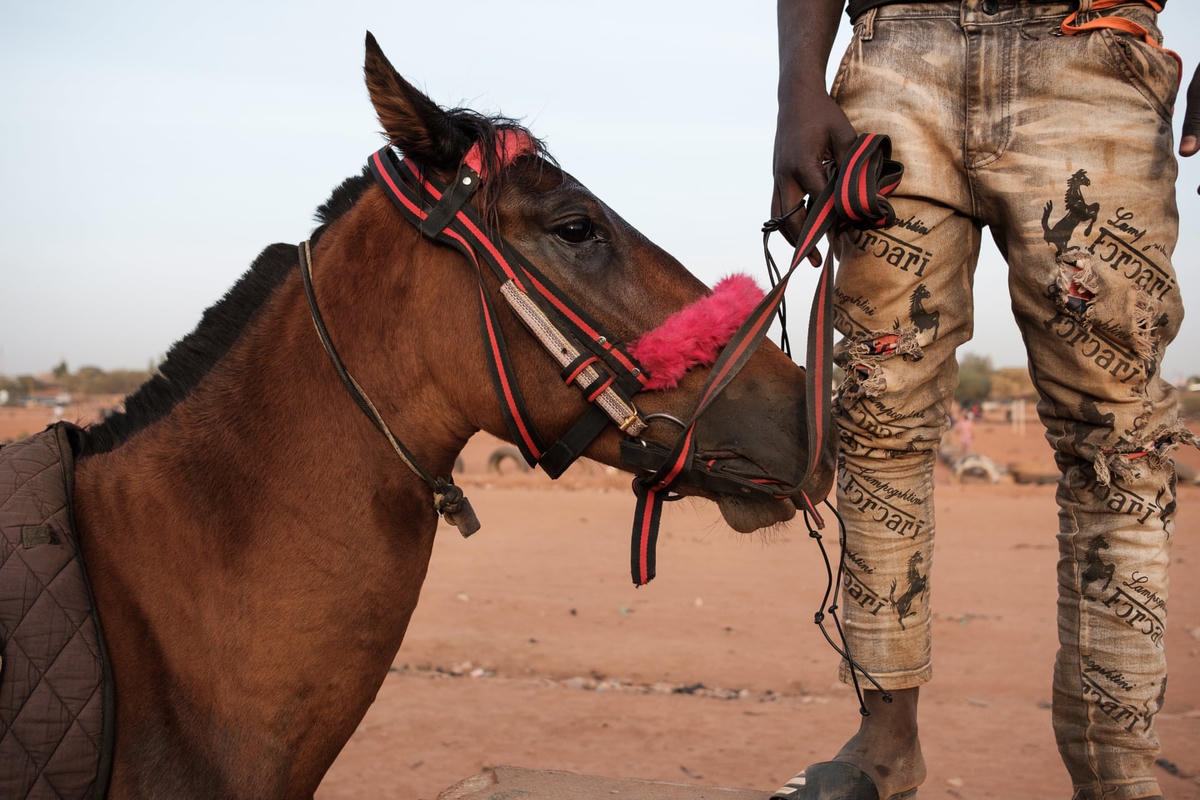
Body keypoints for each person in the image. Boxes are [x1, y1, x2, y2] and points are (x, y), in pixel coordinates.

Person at [770, 1, 1198, 798]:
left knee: (1118, 447)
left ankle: (1118, 774)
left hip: (1091, 50)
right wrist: (797, 81)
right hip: (898, 49)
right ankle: (885, 743)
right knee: (875, 413)